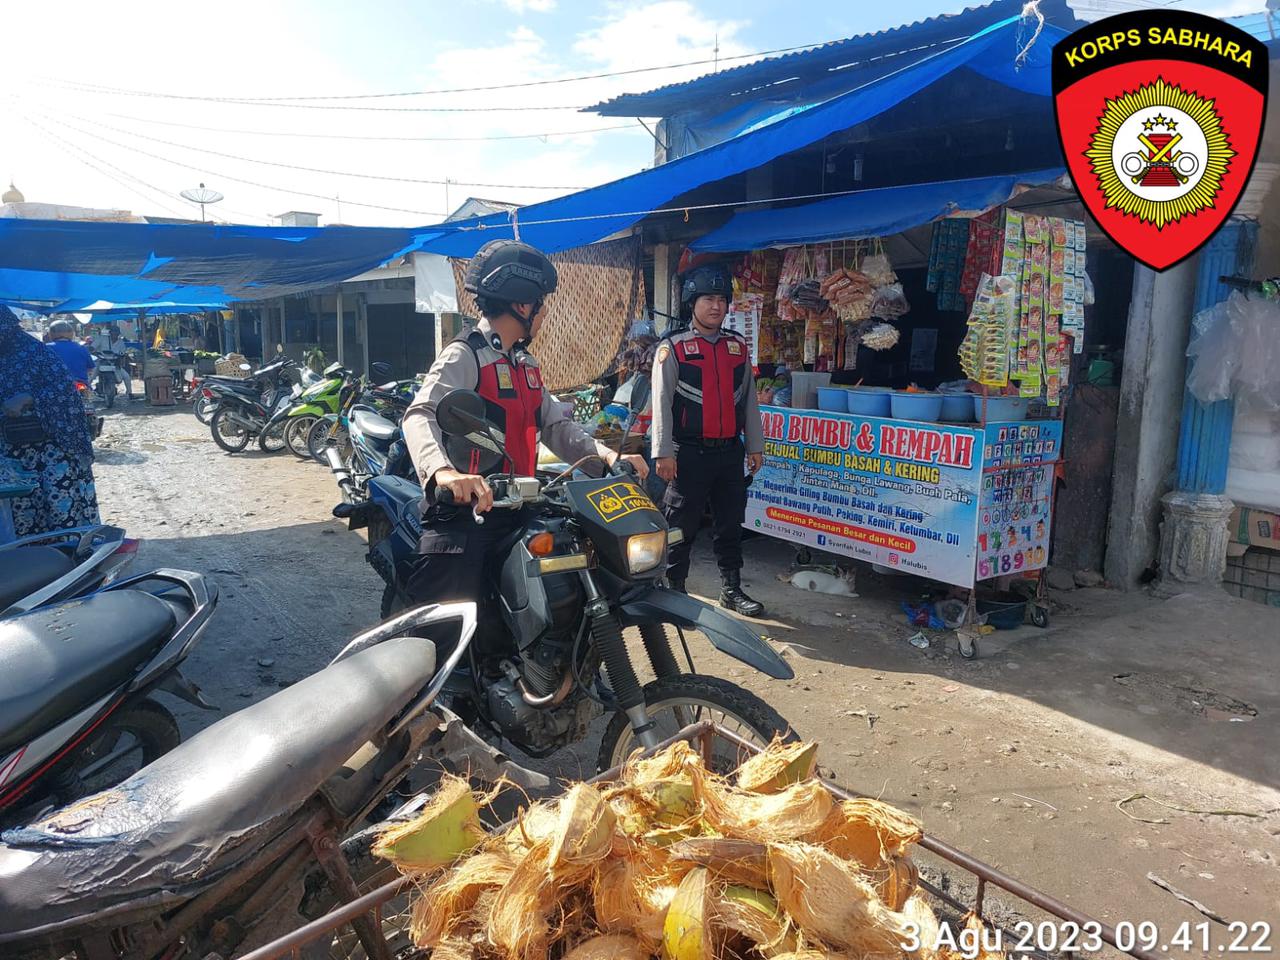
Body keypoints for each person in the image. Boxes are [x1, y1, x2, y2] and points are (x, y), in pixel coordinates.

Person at [401, 239, 648, 616]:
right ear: (521, 304)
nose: (545, 313)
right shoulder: (466, 354)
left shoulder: (525, 364)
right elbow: (420, 415)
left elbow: (555, 426)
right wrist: (444, 473)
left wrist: (608, 457)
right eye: (541, 303)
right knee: (441, 623)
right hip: (469, 511)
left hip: (520, 506)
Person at [651, 262, 766, 617]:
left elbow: (749, 398)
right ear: (692, 302)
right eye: (707, 299)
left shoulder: (737, 347)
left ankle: (731, 590)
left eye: (721, 299)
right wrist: (663, 452)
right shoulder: (673, 348)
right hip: (688, 455)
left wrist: (755, 445)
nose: (716, 306)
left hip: (729, 453)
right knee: (680, 525)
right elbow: (661, 403)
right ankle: (675, 591)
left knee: (730, 523)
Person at [0, 306, 100, 536]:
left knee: (60, 513)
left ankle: (69, 562)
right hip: (14, 457)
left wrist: (27, 398)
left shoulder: (37, 353)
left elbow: (66, 393)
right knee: (22, 520)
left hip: (52, 451)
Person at [45, 319, 95, 386]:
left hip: (55, 386)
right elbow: (90, 368)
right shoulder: (81, 347)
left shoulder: (46, 348)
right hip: (80, 386)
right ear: (71, 333)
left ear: (51, 333)